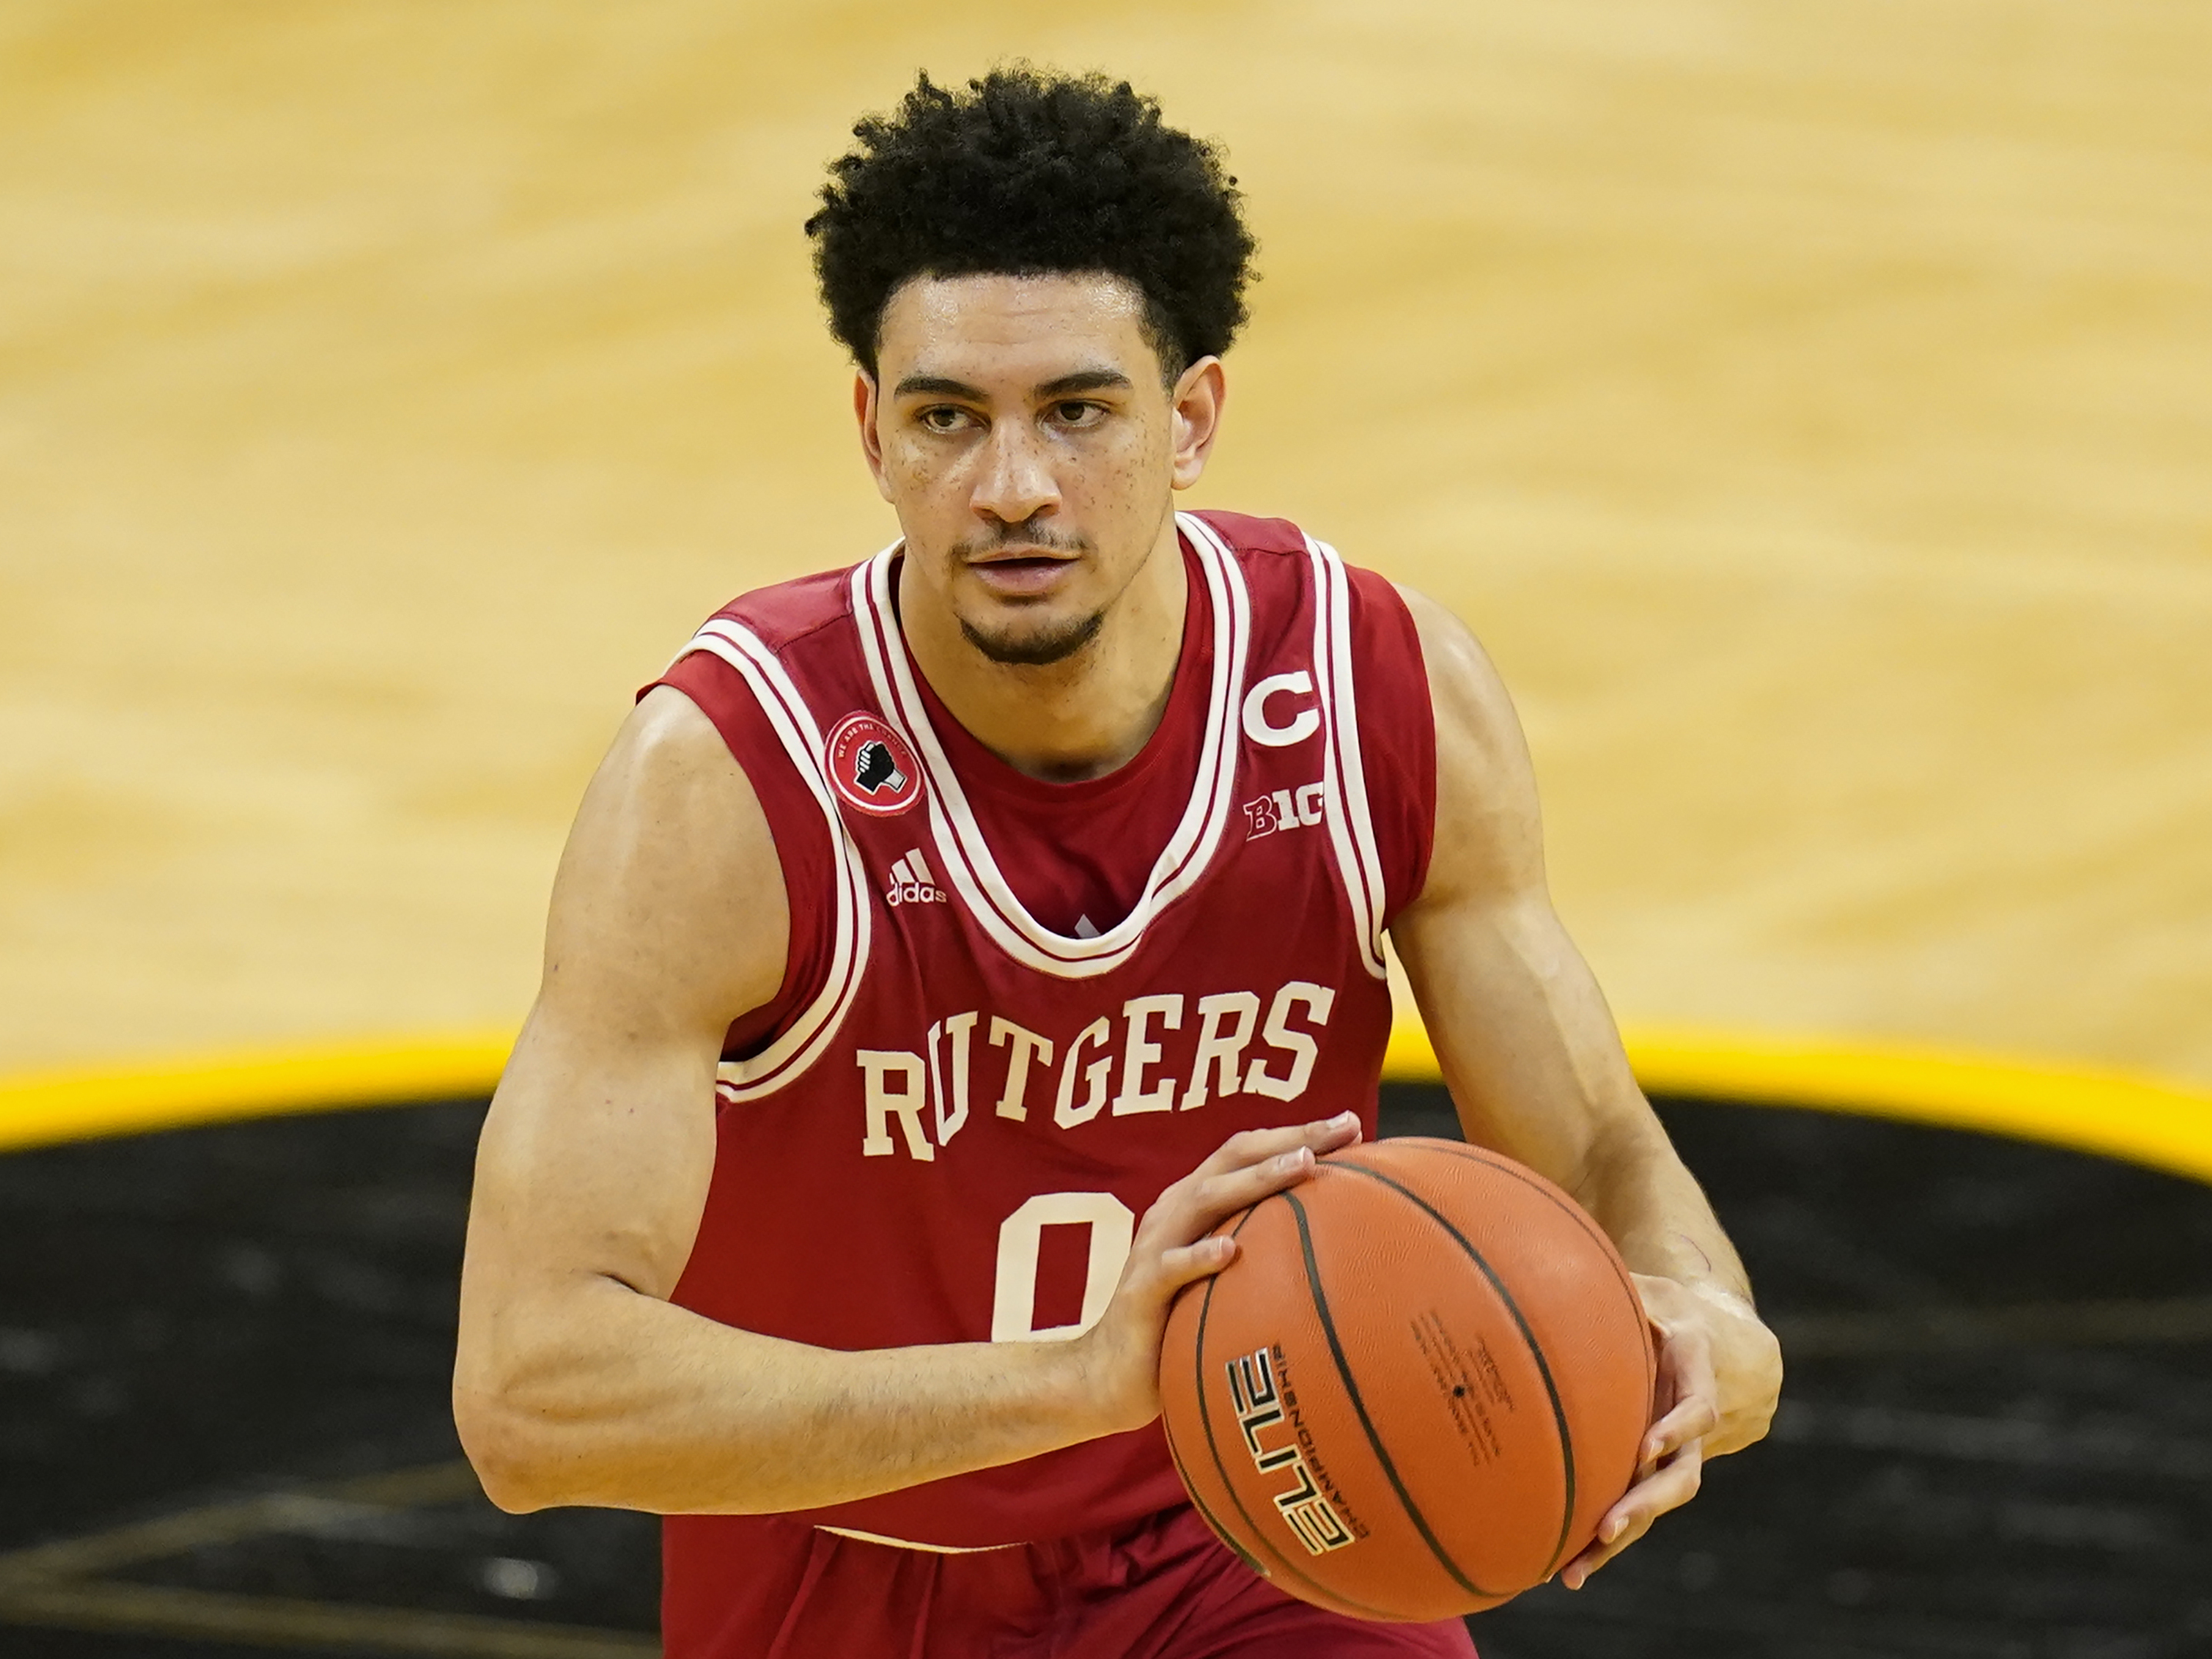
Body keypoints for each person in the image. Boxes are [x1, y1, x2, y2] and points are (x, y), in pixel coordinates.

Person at [453, 67, 1782, 1658]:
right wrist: (1079, 1379)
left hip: (1260, 1524)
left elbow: (1597, 1152)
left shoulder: (1373, 692)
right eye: (950, 418)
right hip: (849, 1553)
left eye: (1076, 411)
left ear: (1191, 417)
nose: (1012, 488)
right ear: (873, 431)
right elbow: (529, 1394)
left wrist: (1702, 1316)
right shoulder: (729, 781)